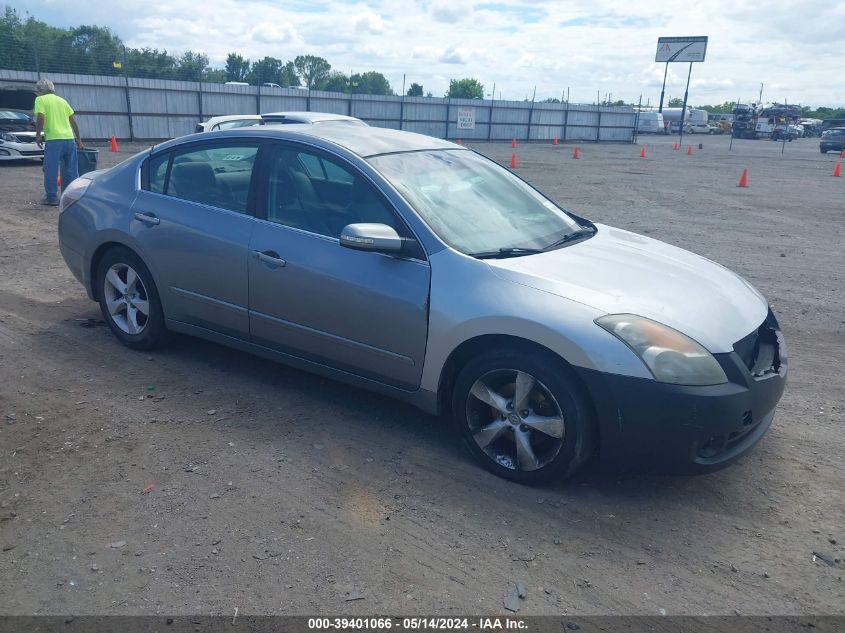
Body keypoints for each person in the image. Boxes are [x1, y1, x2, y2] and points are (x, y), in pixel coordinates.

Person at [33, 79, 83, 206]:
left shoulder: (40, 100)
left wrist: (38, 135)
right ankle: (72, 197)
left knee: (51, 169)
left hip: (54, 140)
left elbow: (41, 117)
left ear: (40, 91)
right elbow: (73, 121)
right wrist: (78, 138)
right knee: (71, 169)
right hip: (69, 139)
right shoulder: (62, 101)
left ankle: (51, 198)